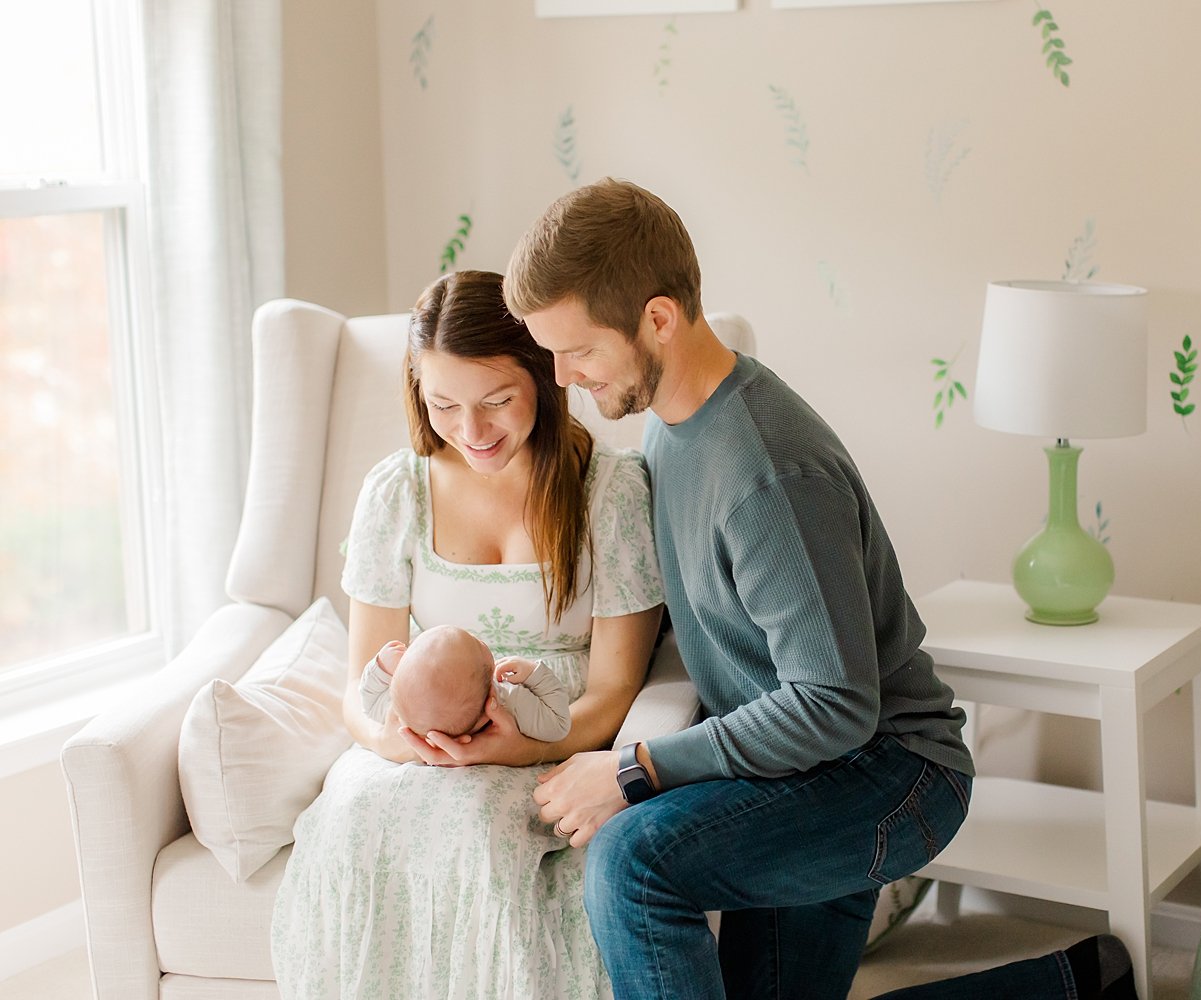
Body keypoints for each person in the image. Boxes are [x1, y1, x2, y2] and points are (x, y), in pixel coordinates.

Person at [503, 178, 1140, 1000]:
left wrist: (637, 769)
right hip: (793, 768)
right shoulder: (667, 424)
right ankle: (1076, 984)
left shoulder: (768, 471)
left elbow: (836, 704)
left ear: (658, 319)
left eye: (578, 350)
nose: (560, 377)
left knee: (633, 861)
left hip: (884, 773)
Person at [270, 269, 665, 1000]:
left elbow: (615, 690)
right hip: (417, 737)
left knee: (480, 831)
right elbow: (361, 688)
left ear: (544, 379)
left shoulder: (609, 492)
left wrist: (529, 745)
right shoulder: (397, 491)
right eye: (443, 404)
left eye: (496, 402)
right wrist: (398, 744)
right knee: (358, 817)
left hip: (553, 731)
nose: (472, 431)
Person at [358, 625, 572, 744]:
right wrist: (533, 673)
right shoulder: (510, 700)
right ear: (492, 692)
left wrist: (380, 668)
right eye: (477, 642)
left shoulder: (405, 714)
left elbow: (369, 704)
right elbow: (559, 724)